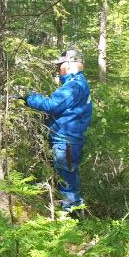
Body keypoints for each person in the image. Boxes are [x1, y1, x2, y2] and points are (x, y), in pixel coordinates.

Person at [21, 49, 93, 215]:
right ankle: (73, 218)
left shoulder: (74, 86)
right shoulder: (78, 84)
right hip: (68, 140)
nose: (58, 69)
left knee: (66, 182)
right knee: (67, 178)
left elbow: (52, 105)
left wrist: (27, 97)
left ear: (69, 65)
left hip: (65, 141)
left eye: (60, 65)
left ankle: (71, 221)